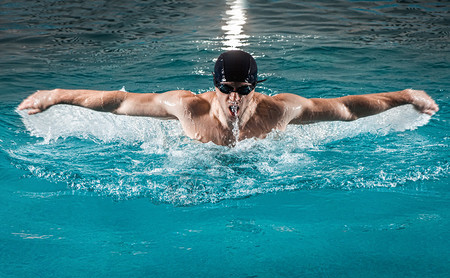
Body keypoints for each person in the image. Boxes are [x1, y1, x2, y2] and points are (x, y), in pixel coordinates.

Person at [18, 50, 438, 146]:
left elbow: (346, 109)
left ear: (255, 86)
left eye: (243, 89)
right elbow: (119, 103)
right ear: (214, 84)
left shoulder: (280, 110)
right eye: (227, 88)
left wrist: (404, 96)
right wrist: (59, 95)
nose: (234, 97)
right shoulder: (186, 106)